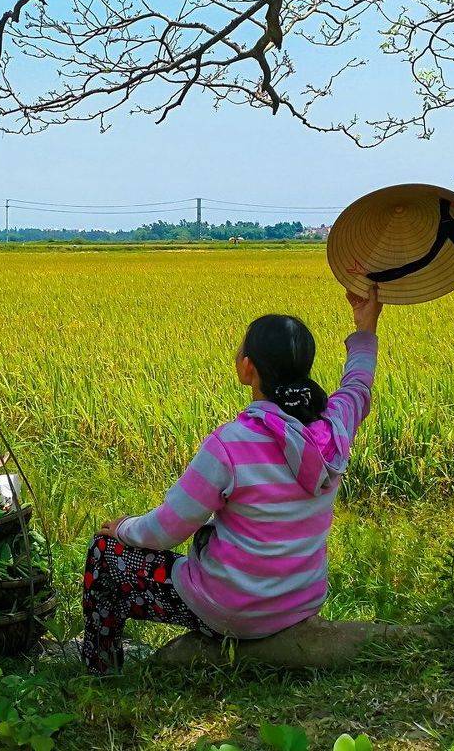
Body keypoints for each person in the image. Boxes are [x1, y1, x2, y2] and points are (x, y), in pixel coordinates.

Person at [81, 285, 382, 674]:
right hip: (301, 602)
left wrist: (123, 528)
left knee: (105, 554)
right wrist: (366, 325)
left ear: (248, 368)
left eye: (241, 350)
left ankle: (101, 672)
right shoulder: (334, 428)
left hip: (233, 611)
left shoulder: (230, 444)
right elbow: (357, 385)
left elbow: (166, 530)